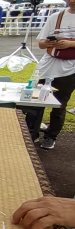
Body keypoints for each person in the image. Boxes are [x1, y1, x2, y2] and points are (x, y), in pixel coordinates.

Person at [33, 1, 75, 150]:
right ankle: (32, 132)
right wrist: (51, 43)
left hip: (69, 67)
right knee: (36, 100)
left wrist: (70, 44)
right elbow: (41, 43)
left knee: (59, 104)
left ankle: (51, 137)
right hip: (48, 65)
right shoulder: (56, 17)